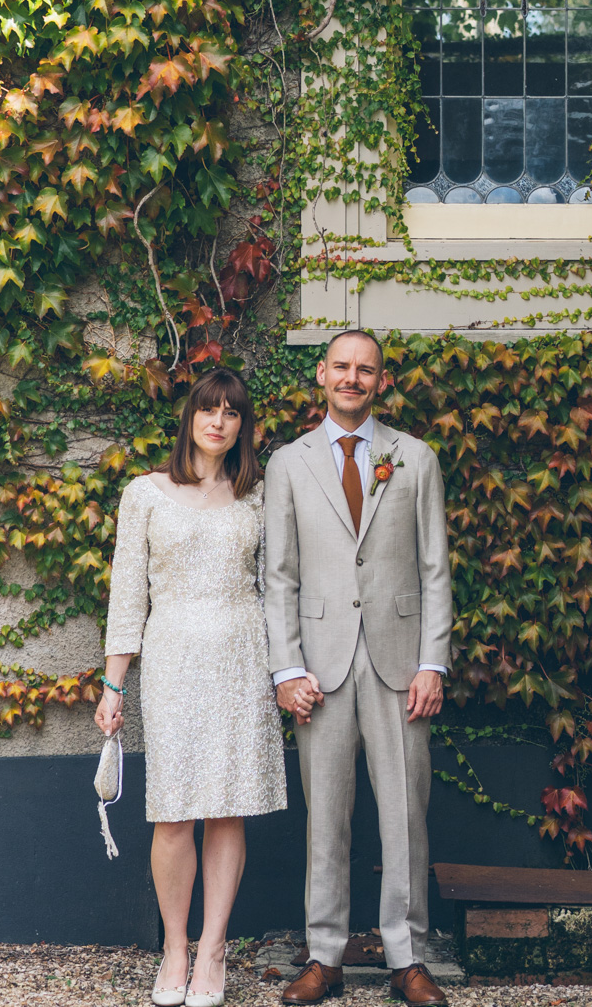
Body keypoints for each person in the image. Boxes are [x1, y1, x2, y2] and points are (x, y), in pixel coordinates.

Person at [264, 330, 453, 1007]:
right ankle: (325, 955)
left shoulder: (415, 458)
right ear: (322, 374)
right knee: (327, 819)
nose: (351, 377)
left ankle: (407, 957)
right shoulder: (288, 464)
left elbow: (435, 568)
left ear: (380, 380)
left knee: (407, 813)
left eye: (364, 369)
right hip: (319, 664)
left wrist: (433, 661)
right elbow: (279, 574)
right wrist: (285, 669)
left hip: (401, 662)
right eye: (341, 366)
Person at [95, 367, 287, 1007]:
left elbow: (275, 588)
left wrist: (287, 667)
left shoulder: (257, 496)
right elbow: (128, 596)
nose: (219, 421)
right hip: (174, 659)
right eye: (209, 409)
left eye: (232, 413)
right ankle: (174, 948)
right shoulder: (144, 493)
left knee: (226, 806)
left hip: (240, 658)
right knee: (173, 811)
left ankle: (212, 951)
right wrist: (114, 685)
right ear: (190, 418)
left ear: (242, 426)